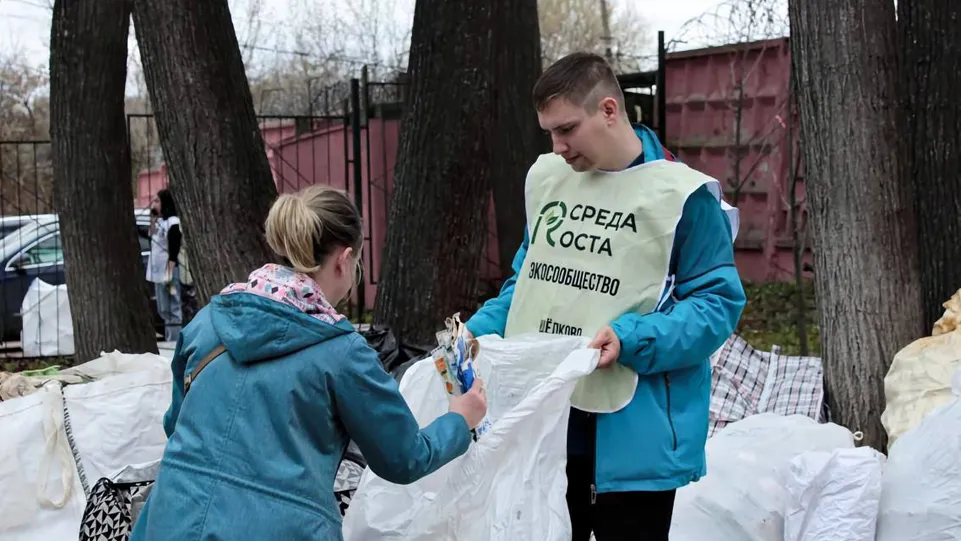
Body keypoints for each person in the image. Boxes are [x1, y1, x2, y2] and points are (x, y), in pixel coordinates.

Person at [464, 52, 746, 541]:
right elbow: (531, 283)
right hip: (550, 428)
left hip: (635, 438)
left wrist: (631, 338)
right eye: (549, 133)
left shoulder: (682, 197)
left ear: (610, 110)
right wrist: (475, 333)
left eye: (567, 128)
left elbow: (716, 305)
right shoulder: (554, 181)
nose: (559, 147)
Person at [129, 186, 488, 541]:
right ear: (344, 260)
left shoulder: (206, 323)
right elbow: (404, 457)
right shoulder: (343, 353)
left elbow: (176, 423)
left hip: (170, 520)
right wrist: (460, 419)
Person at [146, 189, 183, 342]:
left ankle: (174, 340)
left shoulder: (173, 222)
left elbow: (174, 249)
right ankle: (170, 337)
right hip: (157, 273)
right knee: (162, 308)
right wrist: (153, 219)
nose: (154, 204)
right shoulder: (161, 221)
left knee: (172, 306)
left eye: (157, 201)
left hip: (168, 272)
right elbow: (151, 235)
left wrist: (169, 273)